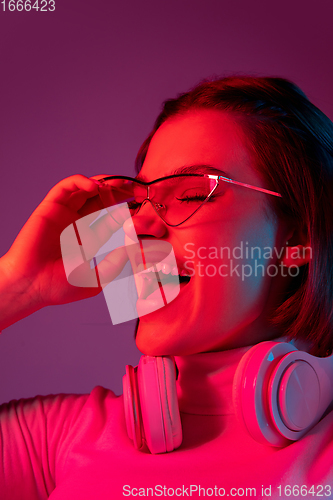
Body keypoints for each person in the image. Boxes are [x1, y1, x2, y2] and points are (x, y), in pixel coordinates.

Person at [1, 75, 333, 499]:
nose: (137, 225)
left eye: (192, 194)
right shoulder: (56, 439)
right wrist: (18, 285)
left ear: (300, 239)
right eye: (138, 202)